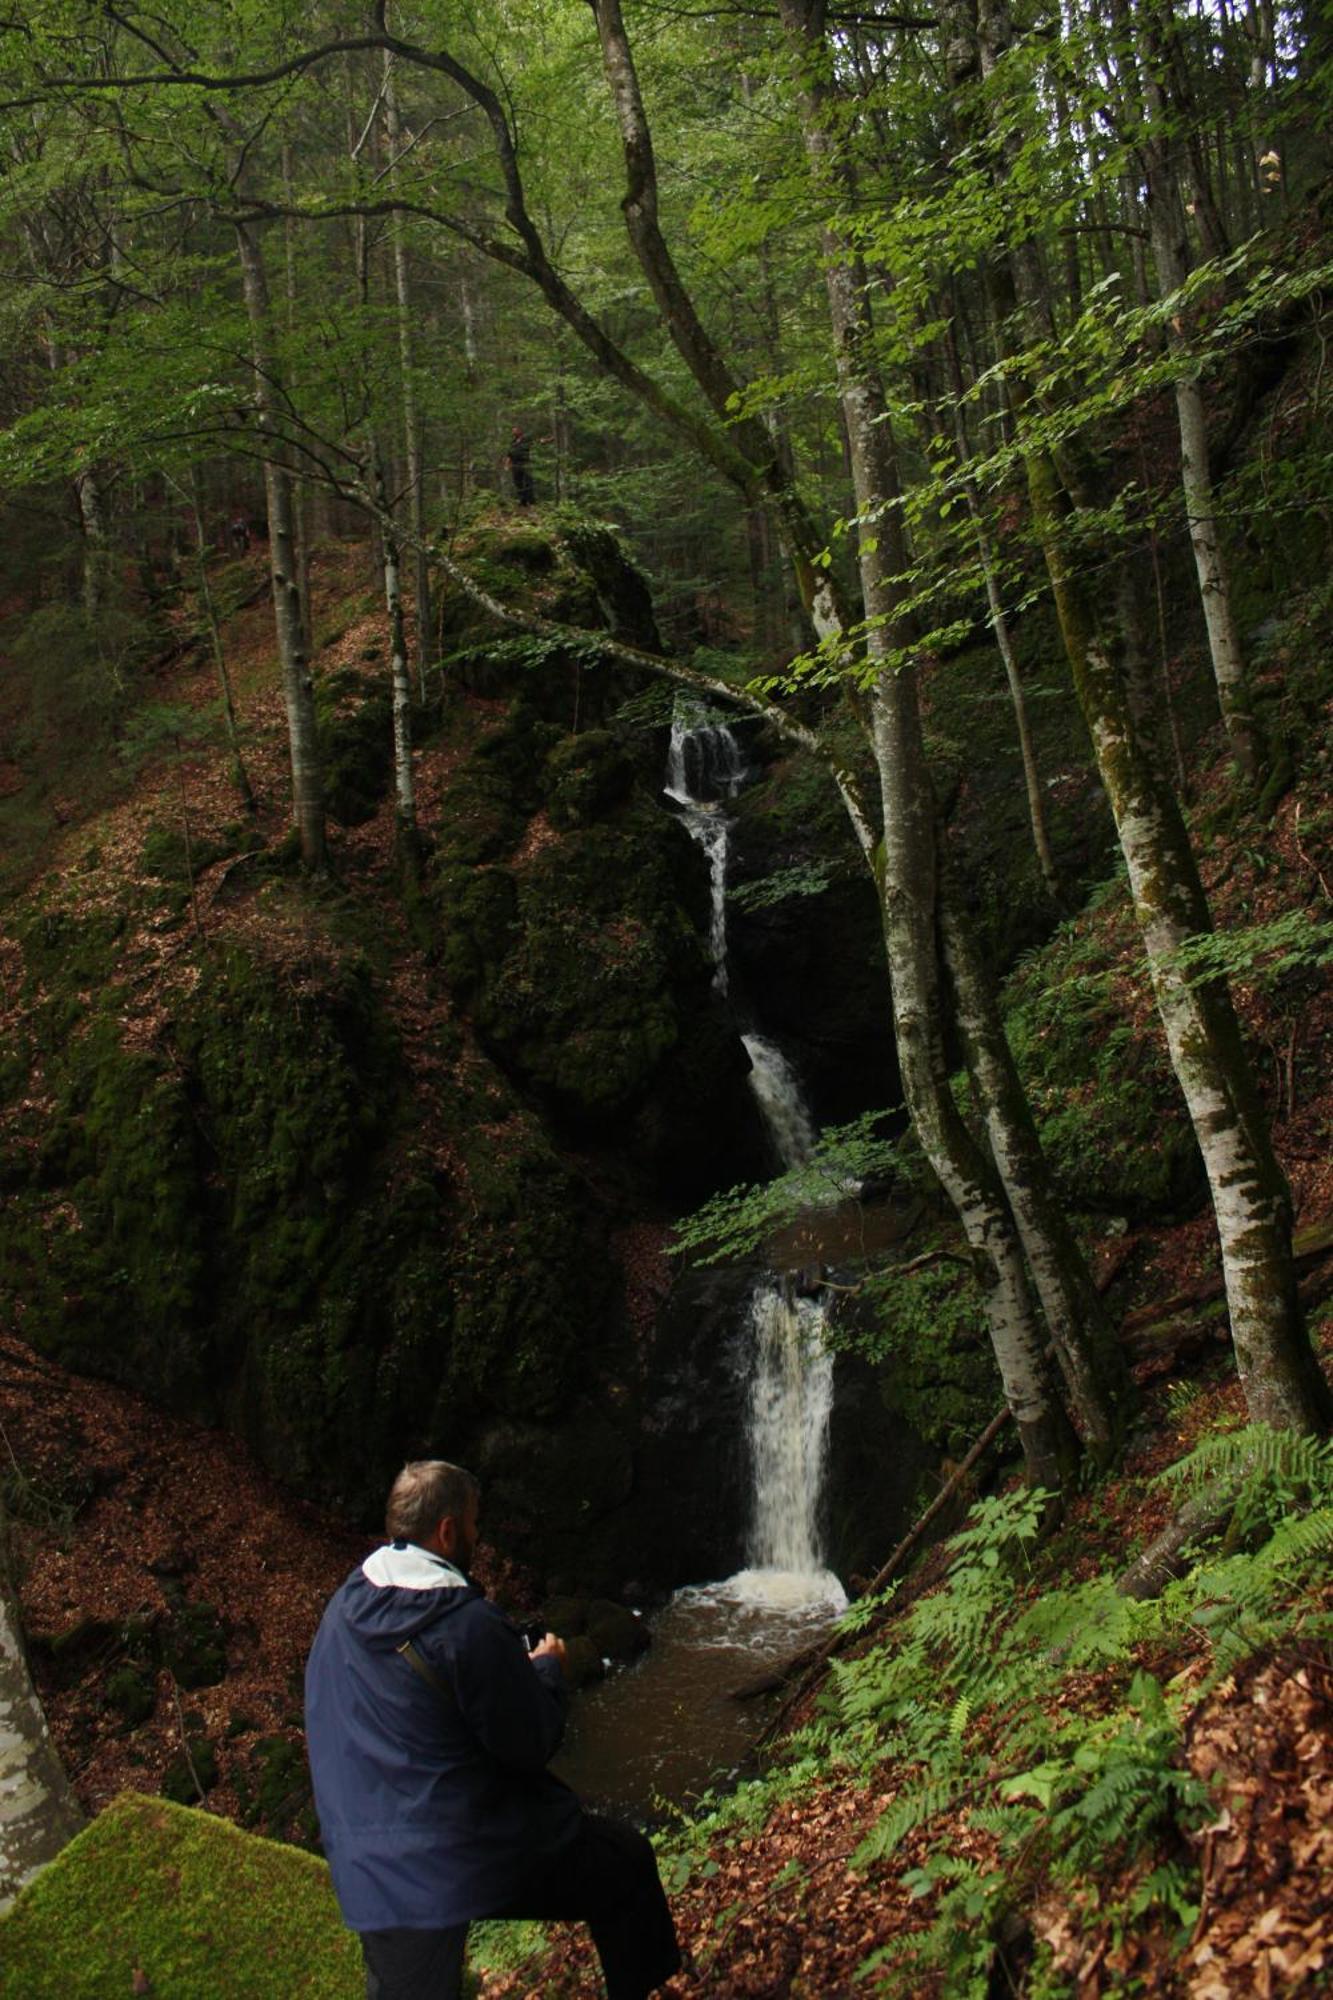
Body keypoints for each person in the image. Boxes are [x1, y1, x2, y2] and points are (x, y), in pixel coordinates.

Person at [305, 1459, 681, 2000]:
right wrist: (549, 1670)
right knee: (624, 1866)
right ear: (448, 1531)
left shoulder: (346, 1605)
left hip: (365, 1851)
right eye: (476, 1524)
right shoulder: (465, 1626)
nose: (479, 1536)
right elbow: (530, 1742)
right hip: (456, 1851)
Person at [505, 426, 536, 506]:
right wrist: (507, 464)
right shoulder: (513, 442)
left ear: (520, 431)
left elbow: (537, 443)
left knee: (528, 482)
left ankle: (531, 500)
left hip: (525, 463)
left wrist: (547, 440)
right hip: (515, 464)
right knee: (518, 482)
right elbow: (509, 455)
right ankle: (522, 500)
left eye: (515, 430)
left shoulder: (526, 440)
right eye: (513, 431)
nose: (514, 432)